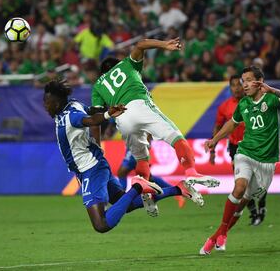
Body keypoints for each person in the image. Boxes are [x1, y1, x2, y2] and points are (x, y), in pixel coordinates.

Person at [43, 80, 209, 233]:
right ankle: (179, 189)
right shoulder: (74, 105)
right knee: (126, 204)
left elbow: (91, 120)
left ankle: (139, 186)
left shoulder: (70, 117)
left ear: (56, 103)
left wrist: (107, 115)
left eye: (47, 103)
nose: (45, 106)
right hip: (95, 165)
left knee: (101, 224)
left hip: (90, 169)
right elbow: (91, 111)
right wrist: (101, 111)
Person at [91, 38, 219, 191]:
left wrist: (97, 146)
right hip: (139, 104)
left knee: (141, 158)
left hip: (122, 119)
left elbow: (95, 120)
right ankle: (191, 172)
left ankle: (145, 191)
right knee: (175, 135)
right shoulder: (127, 64)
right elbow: (140, 44)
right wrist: (165, 45)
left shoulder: (97, 86)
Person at [200, 66, 280, 254]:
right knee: (239, 187)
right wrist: (214, 140)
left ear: (259, 81)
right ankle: (222, 233)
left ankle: (218, 236)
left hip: (267, 161)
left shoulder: (273, 99)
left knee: (243, 201)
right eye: (242, 80)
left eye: (248, 80)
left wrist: (272, 89)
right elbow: (232, 123)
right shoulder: (243, 104)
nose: (244, 85)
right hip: (245, 152)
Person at [210, 75, 267, 226]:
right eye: (233, 85)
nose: (236, 88)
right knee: (240, 183)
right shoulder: (224, 106)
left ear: (244, 86)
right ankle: (253, 212)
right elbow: (218, 126)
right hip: (236, 147)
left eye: (239, 84)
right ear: (229, 88)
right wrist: (213, 149)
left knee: (259, 180)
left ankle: (261, 208)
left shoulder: (253, 102)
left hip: (255, 145)